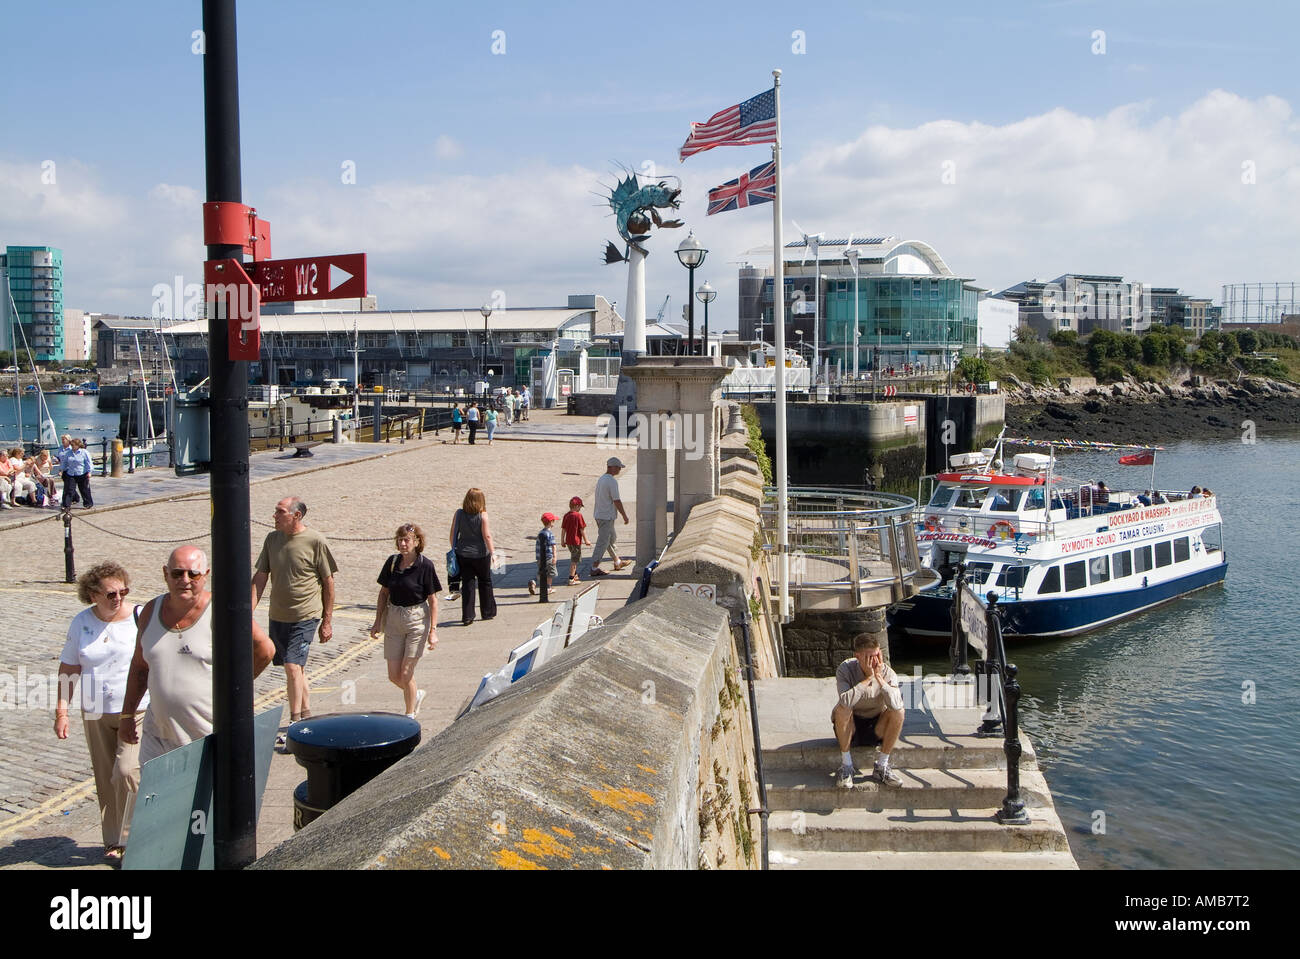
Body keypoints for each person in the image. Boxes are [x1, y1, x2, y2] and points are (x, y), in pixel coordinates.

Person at [120, 546, 274, 762]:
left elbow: (265, 649)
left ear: (206, 576)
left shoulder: (221, 611)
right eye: (177, 573)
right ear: (165, 573)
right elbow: (140, 667)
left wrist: (235, 688)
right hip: (157, 736)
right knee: (153, 795)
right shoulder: (150, 611)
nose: (185, 580)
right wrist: (127, 714)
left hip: (205, 736)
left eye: (193, 574)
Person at [55, 561, 148, 862]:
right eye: (110, 594)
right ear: (93, 594)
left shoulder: (139, 617)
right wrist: (61, 711)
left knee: (126, 772)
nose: (118, 598)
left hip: (135, 709)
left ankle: (131, 838)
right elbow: (70, 667)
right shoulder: (81, 623)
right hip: (95, 709)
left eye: (123, 591)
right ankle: (113, 839)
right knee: (106, 776)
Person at [251, 497, 338, 743]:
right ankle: (307, 715)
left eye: (280, 512)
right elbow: (260, 576)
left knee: (291, 666)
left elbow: (329, 583)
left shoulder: (315, 541)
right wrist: (249, 611)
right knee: (296, 669)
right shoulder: (272, 539)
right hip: (278, 615)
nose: (274, 516)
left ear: (296, 515)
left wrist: (327, 620)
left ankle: (295, 723)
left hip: (306, 616)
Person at [369, 524, 440, 718]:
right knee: (394, 675)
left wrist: (433, 630)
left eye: (407, 540)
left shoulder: (425, 565)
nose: (402, 543)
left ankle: (409, 715)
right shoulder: (392, 563)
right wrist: (377, 622)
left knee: (407, 672)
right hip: (394, 619)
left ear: (417, 542)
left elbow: (433, 600)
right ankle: (415, 694)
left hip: (417, 619)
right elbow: (383, 593)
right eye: (400, 540)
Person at [831, 633, 905, 788]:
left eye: (877, 655)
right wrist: (867, 679)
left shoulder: (887, 672)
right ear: (857, 656)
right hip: (851, 727)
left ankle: (882, 766)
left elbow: (897, 704)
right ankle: (846, 766)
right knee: (841, 709)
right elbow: (845, 701)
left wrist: (879, 678)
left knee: (899, 711)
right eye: (868, 656)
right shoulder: (845, 669)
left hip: (877, 726)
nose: (874, 661)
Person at [450, 487, 496, 625]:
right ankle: (487, 612)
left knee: (468, 583)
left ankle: (468, 616)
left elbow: (453, 534)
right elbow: (487, 536)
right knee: (485, 582)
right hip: (481, 554)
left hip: (463, 554)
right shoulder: (483, 516)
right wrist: (493, 552)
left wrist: (454, 548)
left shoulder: (459, 514)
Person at [590, 457, 631, 577]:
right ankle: (594, 567)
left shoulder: (602, 479)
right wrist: (624, 515)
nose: (619, 469)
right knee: (603, 542)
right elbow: (616, 500)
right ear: (612, 467)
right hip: (606, 516)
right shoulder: (612, 481)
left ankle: (617, 561)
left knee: (611, 539)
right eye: (618, 467)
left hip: (600, 514)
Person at [561, 496, 592, 585]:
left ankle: (575, 575)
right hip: (576, 541)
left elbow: (563, 529)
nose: (580, 509)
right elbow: (582, 529)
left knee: (573, 556)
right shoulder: (578, 516)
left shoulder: (566, 515)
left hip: (569, 541)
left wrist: (562, 540)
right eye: (580, 507)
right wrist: (586, 540)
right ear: (577, 506)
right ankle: (571, 578)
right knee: (574, 560)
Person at [56, 436, 94, 509]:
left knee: (84, 489)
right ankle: (66, 505)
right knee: (69, 489)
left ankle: (88, 503)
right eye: (71, 445)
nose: (72, 447)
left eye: (73, 445)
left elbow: (88, 462)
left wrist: (89, 472)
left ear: (77, 445)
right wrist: (61, 470)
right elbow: (65, 462)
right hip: (71, 473)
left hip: (82, 473)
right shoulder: (69, 453)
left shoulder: (84, 452)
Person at [530, 512, 558, 595]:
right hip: (548, 557)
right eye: (554, 521)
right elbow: (553, 546)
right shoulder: (550, 534)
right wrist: (555, 557)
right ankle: (548, 587)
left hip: (539, 558)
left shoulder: (541, 532)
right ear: (551, 522)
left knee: (541, 572)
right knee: (551, 573)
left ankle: (534, 582)